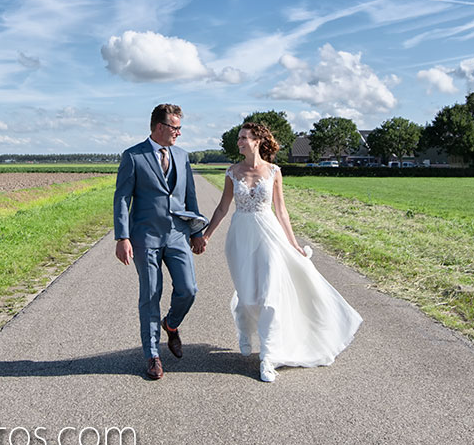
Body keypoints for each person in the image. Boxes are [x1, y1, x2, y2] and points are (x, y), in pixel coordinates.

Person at [196, 122, 361, 382]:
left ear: (257, 140)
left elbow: (281, 211)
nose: (238, 141)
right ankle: (244, 328)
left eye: (243, 138)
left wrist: (293, 243)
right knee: (248, 294)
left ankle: (268, 358)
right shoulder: (232, 172)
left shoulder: (274, 171)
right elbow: (222, 208)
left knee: (270, 294)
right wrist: (206, 235)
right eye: (239, 138)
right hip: (240, 237)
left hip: (269, 236)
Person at [114, 104, 204, 380]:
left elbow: (190, 195)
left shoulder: (182, 155)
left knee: (189, 289)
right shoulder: (133, 156)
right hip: (145, 238)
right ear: (159, 127)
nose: (179, 132)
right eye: (175, 127)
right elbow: (122, 198)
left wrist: (197, 231)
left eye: (179, 127)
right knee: (150, 296)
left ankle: (171, 324)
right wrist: (122, 236)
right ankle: (152, 355)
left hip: (178, 234)